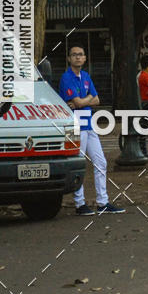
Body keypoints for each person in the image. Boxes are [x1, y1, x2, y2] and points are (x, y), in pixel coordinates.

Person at [59, 45, 125, 216]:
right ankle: (80, 204)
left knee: (101, 162)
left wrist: (84, 100)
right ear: (68, 59)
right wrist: (86, 100)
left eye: (80, 55)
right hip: (75, 127)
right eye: (74, 55)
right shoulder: (66, 78)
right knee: (79, 165)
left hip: (89, 125)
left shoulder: (86, 76)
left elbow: (95, 100)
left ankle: (103, 202)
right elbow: (81, 102)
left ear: (85, 58)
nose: (77, 57)